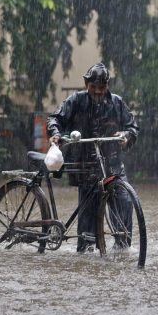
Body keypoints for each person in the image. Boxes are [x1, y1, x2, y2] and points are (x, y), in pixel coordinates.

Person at [47, 63, 139, 252]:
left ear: (108, 86)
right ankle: (86, 248)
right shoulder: (76, 101)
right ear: (86, 84)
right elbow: (55, 118)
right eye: (93, 87)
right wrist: (56, 133)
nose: (97, 91)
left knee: (125, 201)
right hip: (86, 166)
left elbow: (133, 126)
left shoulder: (116, 102)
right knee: (88, 216)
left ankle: (122, 246)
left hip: (113, 166)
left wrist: (126, 136)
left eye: (102, 87)